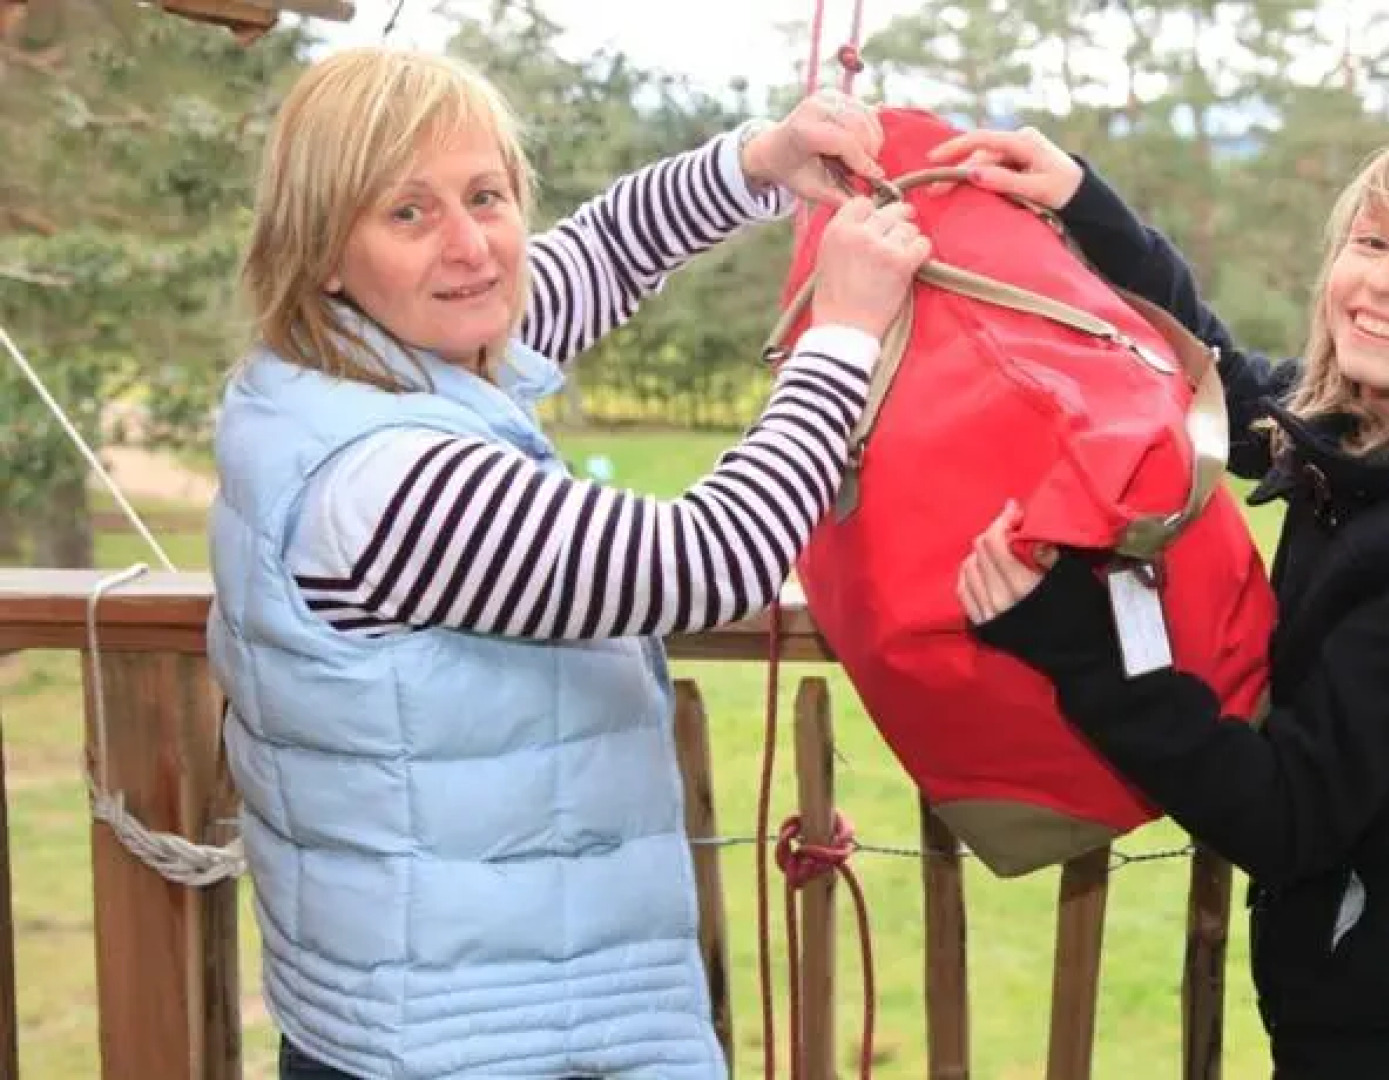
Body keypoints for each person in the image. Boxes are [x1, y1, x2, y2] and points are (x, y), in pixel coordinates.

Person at [206, 47, 928, 1080]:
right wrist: (843, 337)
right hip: (492, 1040)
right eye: (407, 213)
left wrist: (761, 162)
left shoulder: (337, 368)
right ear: (324, 246)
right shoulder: (385, 481)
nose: (473, 246)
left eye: (486, 196)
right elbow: (704, 561)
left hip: (435, 1016)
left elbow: (595, 253)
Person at [937, 125, 1389, 1079]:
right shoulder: (1372, 445)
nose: (1383, 284)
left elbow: (1286, 816)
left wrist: (1078, 646)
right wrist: (1086, 205)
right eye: (1372, 243)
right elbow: (1224, 385)